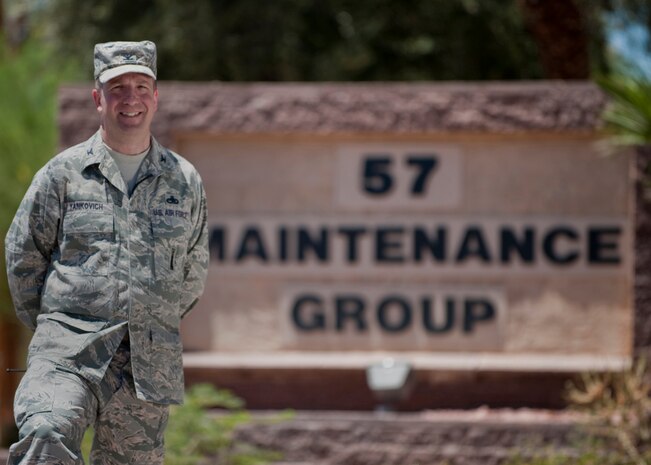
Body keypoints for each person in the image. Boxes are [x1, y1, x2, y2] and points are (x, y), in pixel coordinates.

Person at [4, 40, 209, 464]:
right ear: (98, 98)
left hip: (145, 366)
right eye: (117, 87)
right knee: (47, 429)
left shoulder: (184, 181)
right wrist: (55, 323)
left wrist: (148, 315)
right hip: (67, 351)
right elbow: (24, 256)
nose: (130, 98)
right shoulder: (63, 174)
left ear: (155, 98)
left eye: (140, 86)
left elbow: (192, 271)